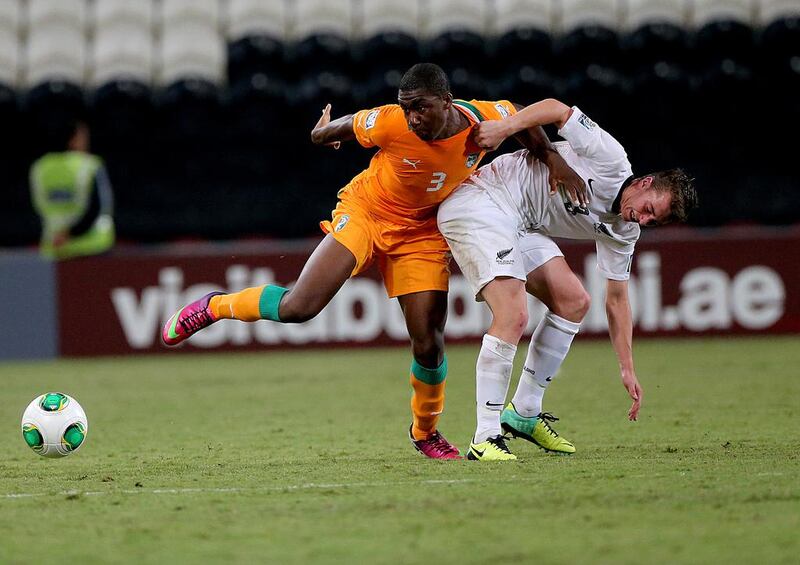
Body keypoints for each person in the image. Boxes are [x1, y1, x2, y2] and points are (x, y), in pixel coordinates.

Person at [161, 64, 584, 459]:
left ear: (447, 102)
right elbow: (340, 128)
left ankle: (425, 432)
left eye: (420, 107)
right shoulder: (389, 122)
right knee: (299, 307)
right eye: (407, 107)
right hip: (367, 212)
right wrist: (322, 134)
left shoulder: (486, 119)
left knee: (429, 342)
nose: (413, 117)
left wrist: (554, 159)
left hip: (420, 233)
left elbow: (526, 124)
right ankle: (214, 306)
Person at [437, 98, 698, 460]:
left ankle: (524, 412)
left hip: (520, 224)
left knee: (574, 301)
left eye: (654, 222)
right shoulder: (611, 159)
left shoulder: (623, 231)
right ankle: (485, 436)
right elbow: (557, 109)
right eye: (648, 209)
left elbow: (617, 299)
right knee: (513, 315)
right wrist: (504, 128)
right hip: (483, 200)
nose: (643, 219)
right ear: (644, 183)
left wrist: (627, 368)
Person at [29, 120, 115, 260]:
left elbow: (38, 206)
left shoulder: (39, 167)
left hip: (56, 247)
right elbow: (99, 207)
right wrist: (72, 233)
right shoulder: (90, 165)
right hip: (92, 247)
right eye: (83, 137)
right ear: (73, 140)